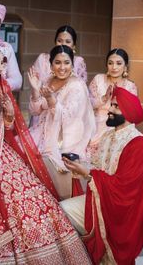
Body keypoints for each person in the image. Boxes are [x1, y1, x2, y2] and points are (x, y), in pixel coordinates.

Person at [0, 44, 92, 264]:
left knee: (36, 196)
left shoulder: (0, 89)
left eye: (3, 63)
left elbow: (8, 128)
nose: (2, 68)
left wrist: (9, 117)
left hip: (2, 151)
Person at [60, 87, 143, 264]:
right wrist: (79, 167)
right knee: (59, 211)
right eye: (111, 105)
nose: (110, 110)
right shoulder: (108, 135)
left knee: (62, 211)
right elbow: (97, 167)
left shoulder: (138, 144)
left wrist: (87, 173)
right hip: (101, 200)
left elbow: (125, 188)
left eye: (116, 106)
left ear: (128, 111)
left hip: (120, 212)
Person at [28, 45, 95, 200]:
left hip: (63, 139)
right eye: (57, 62)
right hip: (42, 131)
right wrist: (35, 89)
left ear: (72, 64)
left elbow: (67, 118)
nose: (62, 67)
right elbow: (35, 110)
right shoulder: (48, 80)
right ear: (51, 64)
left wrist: (52, 100)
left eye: (67, 62)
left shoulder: (76, 86)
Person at [87, 48, 137, 157]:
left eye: (119, 63)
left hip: (118, 130)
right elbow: (87, 105)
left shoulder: (130, 86)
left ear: (125, 66)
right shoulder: (98, 79)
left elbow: (132, 116)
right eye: (110, 63)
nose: (114, 67)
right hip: (95, 128)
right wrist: (104, 98)